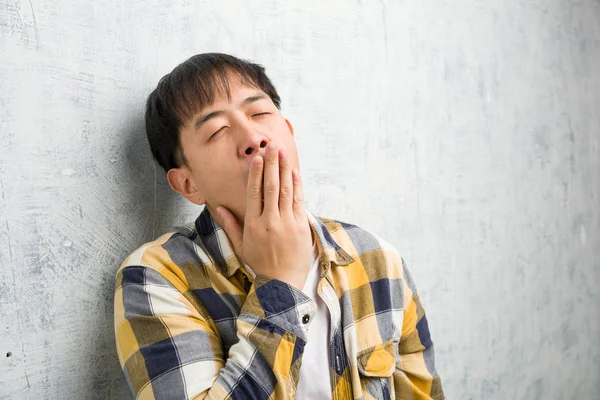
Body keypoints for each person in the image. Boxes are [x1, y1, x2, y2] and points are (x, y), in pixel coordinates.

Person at [114, 52, 444, 400]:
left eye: (259, 113)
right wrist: (281, 282)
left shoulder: (378, 259)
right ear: (187, 184)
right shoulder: (157, 277)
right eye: (217, 131)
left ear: (288, 130)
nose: (253, 137)